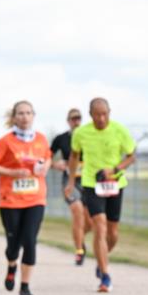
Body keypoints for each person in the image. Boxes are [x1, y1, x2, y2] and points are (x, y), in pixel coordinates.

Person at [67, 98, 136, 292]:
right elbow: (73, 157)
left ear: (109, 112)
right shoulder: (81, 133)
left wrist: (115, 168)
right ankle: (105, 276)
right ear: (90, 115)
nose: (101, 118)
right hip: (91, 183)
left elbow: (131, 156)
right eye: (97, 114)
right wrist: (71, 181)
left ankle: (101, 259)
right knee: (100, 226)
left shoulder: (119, 130)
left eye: (105, 113)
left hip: (115, 184)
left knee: (113, 233)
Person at [0, 101, 51, 295]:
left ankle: (25, 286)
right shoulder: (6, 141)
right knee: (13, 245)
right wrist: (13, 172)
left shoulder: (40, 139)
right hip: (11, 201)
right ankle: (11, 265)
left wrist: (45, 167)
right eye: (20, 113)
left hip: (35, 199)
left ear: (33, 116)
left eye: (28, 113)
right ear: (14, 117)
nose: (24, 117)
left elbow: (47, 158)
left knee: (30, 241)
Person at [52, 108, 91, 264]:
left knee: (91, 221)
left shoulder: (89, 136)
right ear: (68, 121)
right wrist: (55, 164)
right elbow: (46, 158)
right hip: (70, 181)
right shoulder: (61, 139)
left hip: (88, 182)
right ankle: (79, 250)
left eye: (79, 118)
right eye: (73, 119)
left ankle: (79, 235)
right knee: (77, 210)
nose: (76, 121)